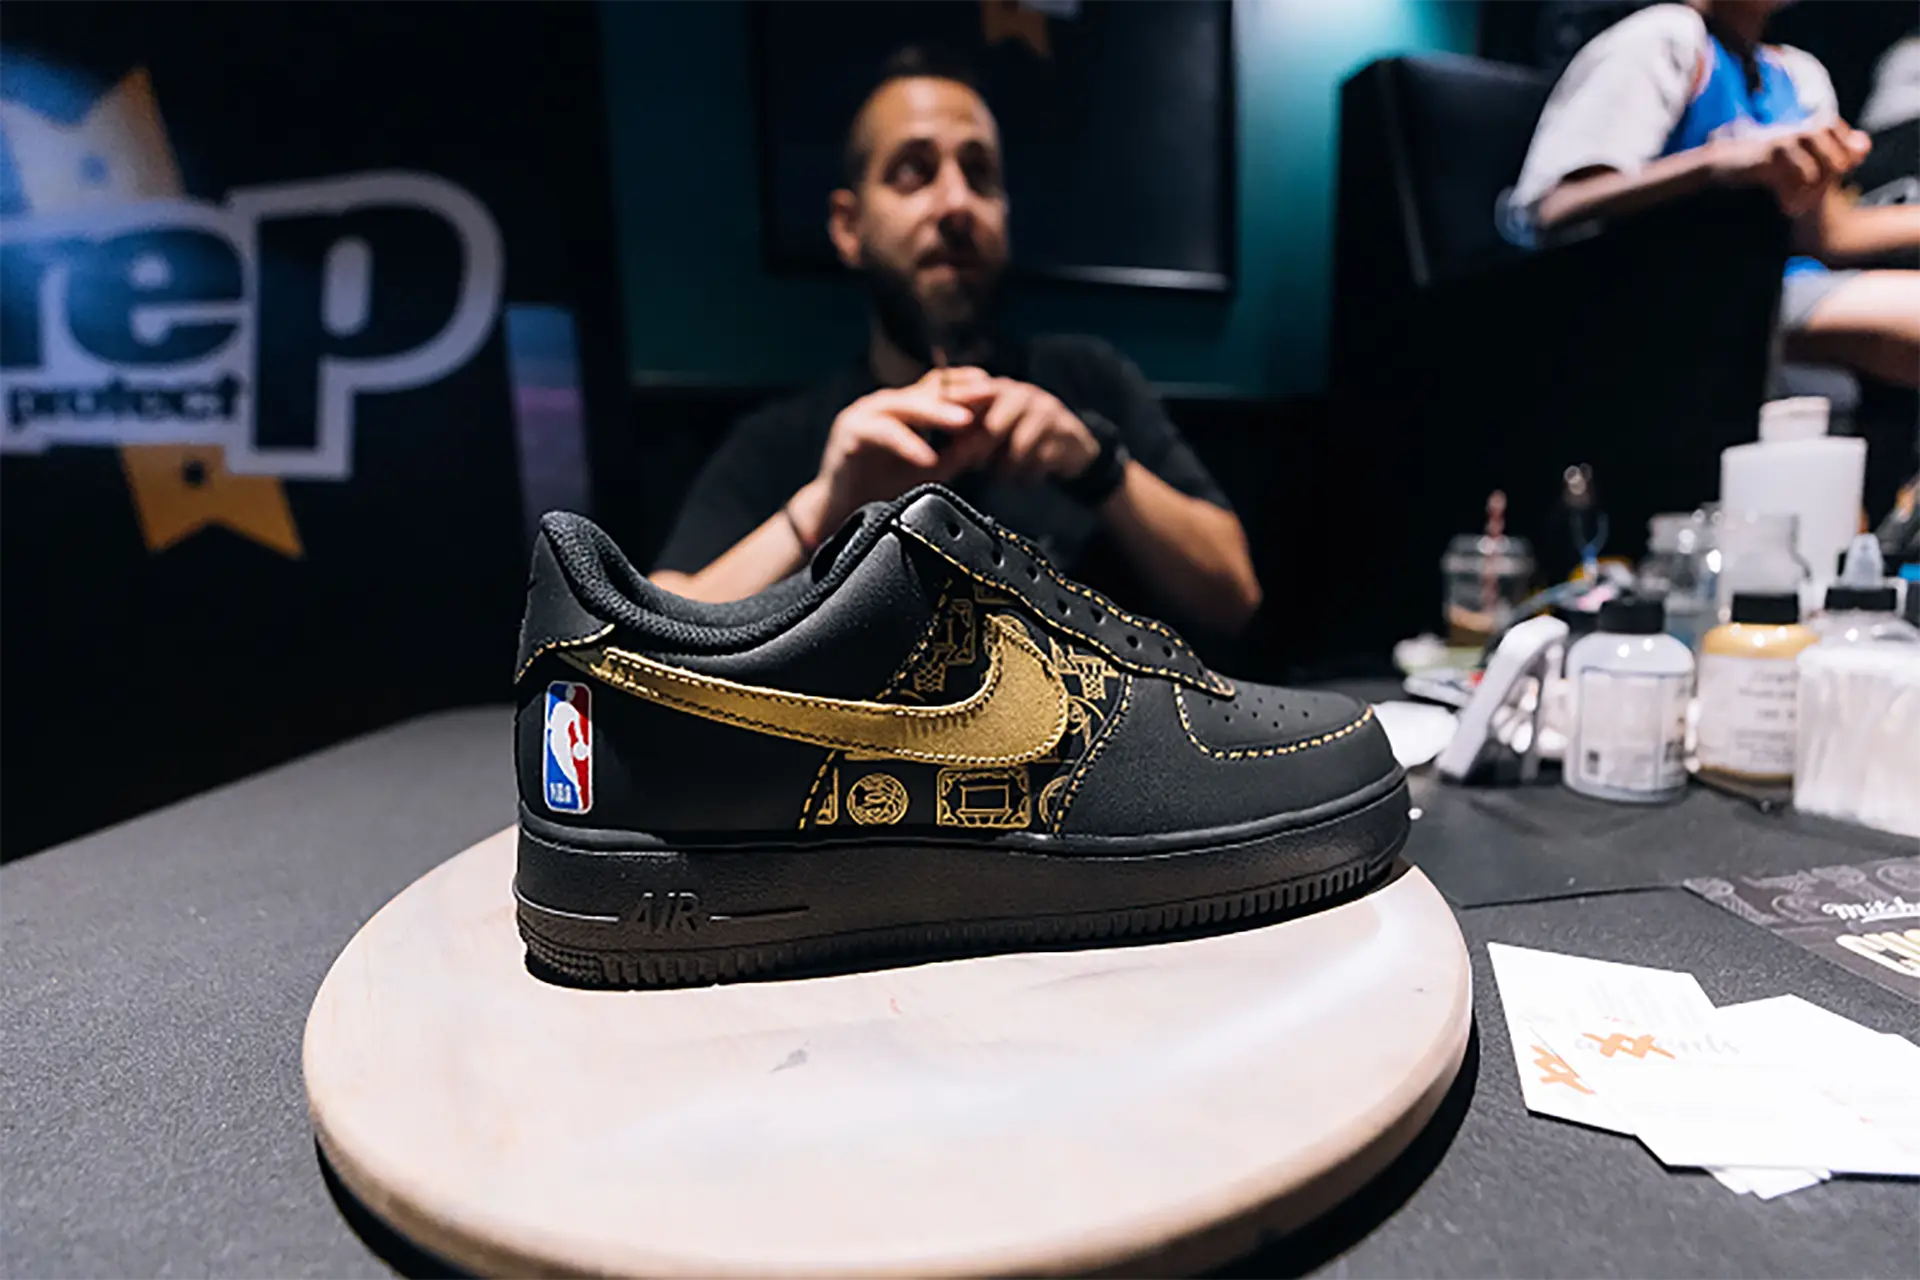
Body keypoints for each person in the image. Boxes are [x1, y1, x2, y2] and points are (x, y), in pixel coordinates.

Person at [648, 47, 1261, 637]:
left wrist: (1099, 468)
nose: (955, 203)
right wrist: (823, 507)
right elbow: (652, 638)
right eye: (913, 172)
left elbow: (1235, 595)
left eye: (980, 174)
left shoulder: (1089, 381)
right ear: (848, 226)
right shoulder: (783, 440)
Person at [1506, 0, 1920, 391]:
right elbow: (1554, 206)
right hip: (1669, 293)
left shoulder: (1797, 73)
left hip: (1776, 284)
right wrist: (1715, 164)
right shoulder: (1667, 38)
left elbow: (1828, 235)